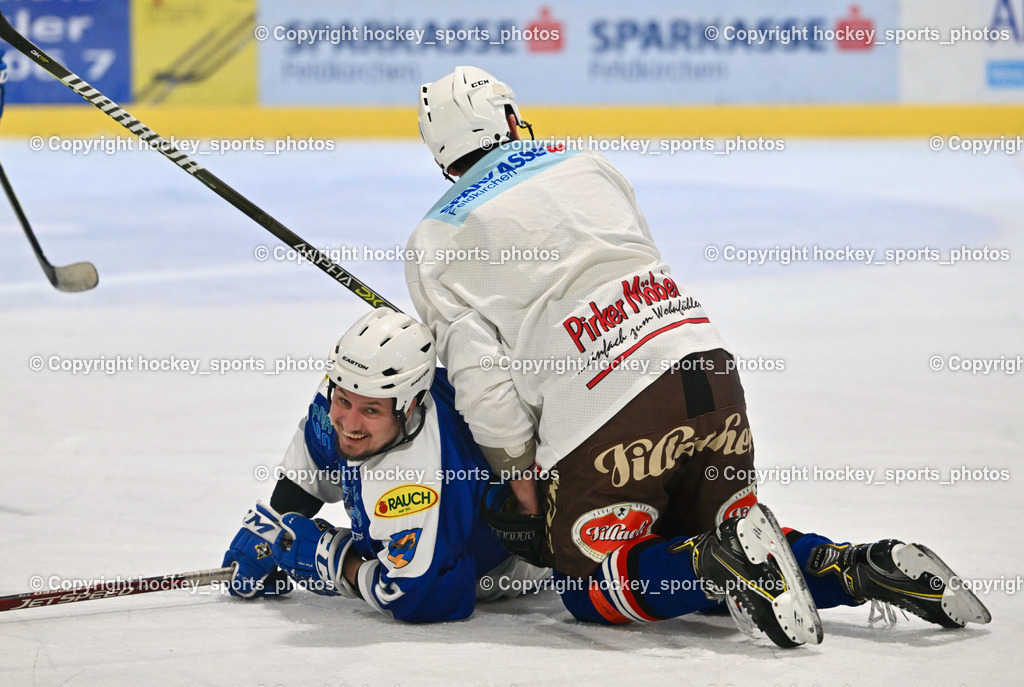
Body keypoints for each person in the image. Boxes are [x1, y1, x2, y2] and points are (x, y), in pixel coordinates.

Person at [406, 66, 991, 646]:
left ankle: (722, 561)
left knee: (588, 582)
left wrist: (524, 478)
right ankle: (860, 566)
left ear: (439, 155)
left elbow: (482, 382)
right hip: (705, 369)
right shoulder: (586, 164)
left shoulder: (434, 239)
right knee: (709, 533)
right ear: (510, 119)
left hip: (606, 407)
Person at [221, 307, 548, 623]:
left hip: (505, 565)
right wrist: (272, 527)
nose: (349, 423)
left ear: (408, 408)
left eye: (371, 410)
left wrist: (335, 561)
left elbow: (421, 596)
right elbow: (315, 457)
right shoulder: (342, 391)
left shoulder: (416, 478)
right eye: (344, 401)